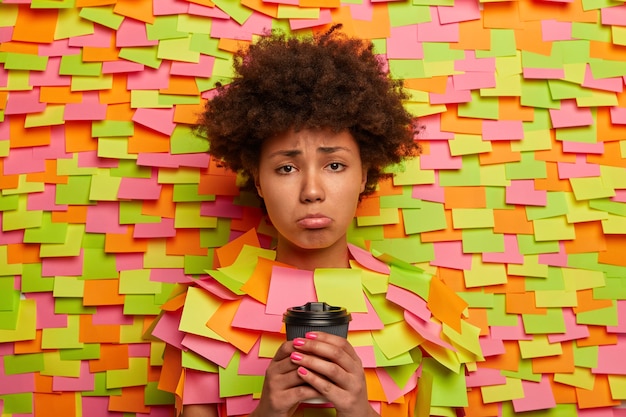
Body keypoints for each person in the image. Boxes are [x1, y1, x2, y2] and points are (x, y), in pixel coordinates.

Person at [152, 25, 477, 417]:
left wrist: (360, 410)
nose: (311, 191)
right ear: (258, 179)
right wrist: (267, 412)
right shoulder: (204, 308)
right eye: (286, 167)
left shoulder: (422, 308)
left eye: (335, 165)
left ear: (363, 173)